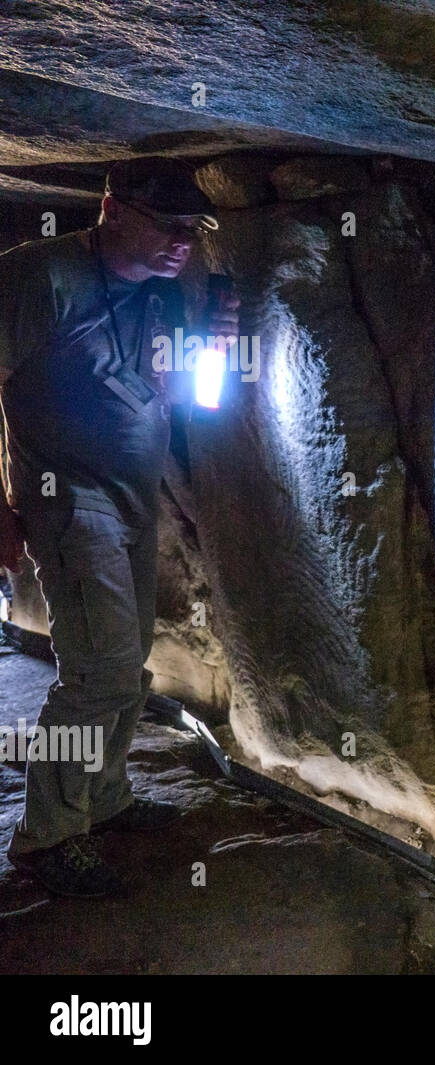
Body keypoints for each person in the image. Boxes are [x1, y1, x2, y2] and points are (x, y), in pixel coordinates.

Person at [0, 157, 238, 897]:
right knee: (97, 670)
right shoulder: (40, 277)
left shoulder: (162, 298)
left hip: (131, 497)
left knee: (129, 663)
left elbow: (183, 394)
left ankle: (101, 800)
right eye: (166, 225)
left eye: (192, 229)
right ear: (112, 209)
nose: (180, 242)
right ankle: (45, 835)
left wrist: (217, 345)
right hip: (68, 500)